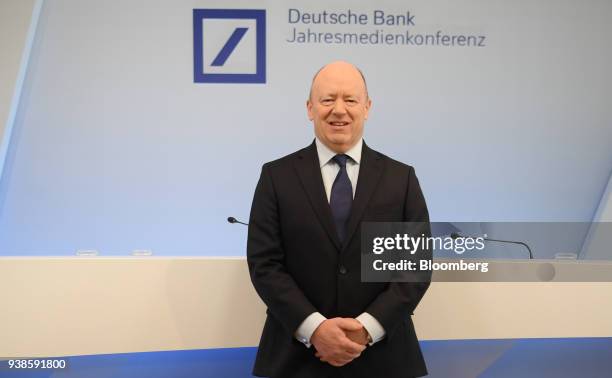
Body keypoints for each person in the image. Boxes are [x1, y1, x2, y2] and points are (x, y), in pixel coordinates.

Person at [247, 61, 431, 378]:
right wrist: (314, 329)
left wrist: (366, 329)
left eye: (350, 100)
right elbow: (265, 265)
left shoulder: (400, 179)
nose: (339, 110)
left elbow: (413, 268)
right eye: (328, 99)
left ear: (367, 107)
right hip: (295, 358)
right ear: (309, 108)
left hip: (384, 358)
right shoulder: (276, 177)